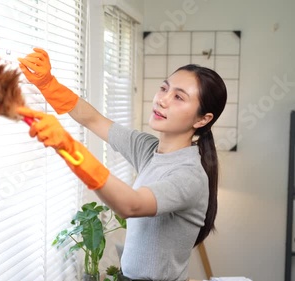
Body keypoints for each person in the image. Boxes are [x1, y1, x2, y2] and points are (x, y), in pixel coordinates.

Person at [17, 48, 227, 281]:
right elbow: (94, 119)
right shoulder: (148, 149)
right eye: (164, 88)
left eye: (178, 97)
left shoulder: (189, 175)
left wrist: (69, 149)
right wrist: (48, 84)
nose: (162, 100)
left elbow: (132, 205)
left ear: (203, 119)